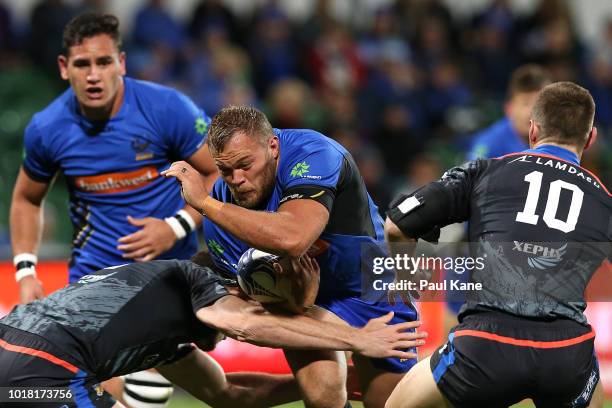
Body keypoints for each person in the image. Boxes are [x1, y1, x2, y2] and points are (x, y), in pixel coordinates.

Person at [162, 106, 420, 408]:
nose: (237, 179)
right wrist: (301, 300)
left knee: (388, 404)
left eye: (245, 164)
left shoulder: (313, 152)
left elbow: (294, 237)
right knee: (321, 396)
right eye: (225, 170)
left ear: (273, 146)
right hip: (303, 305)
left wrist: (204, 203)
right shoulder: (220, 223)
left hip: (369, 285)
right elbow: (260, 313)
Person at [384, 82, 610, 408]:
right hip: (565, 354)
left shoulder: (487, 172)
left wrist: (405, 280)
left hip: (486, 346)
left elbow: (396, 226)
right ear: (590, 139)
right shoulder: (604, 201)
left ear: (532, 131)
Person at [0, 253, 425, 408]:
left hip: (18, 379)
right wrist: (358, 340)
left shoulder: (161, 326)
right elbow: (241, 323)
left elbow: (226, 393)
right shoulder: (192, 276)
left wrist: (333, 381)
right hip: (47, 367)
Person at [10, 12, 218, 302]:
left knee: (168, 348)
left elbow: (219, 172)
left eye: (104, 62)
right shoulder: (47, 128)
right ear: (63, 67)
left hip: (171, 272)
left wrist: (176, 226)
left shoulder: (167, 108)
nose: (93, 76)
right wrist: (25, 272)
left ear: (120, 63)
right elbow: (26, 199)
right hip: (93, 281)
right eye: (82, 64)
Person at [467, 64, 551, 160]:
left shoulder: (562, 139)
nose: (533, 112)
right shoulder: (489, 144)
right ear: (509, 108)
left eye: (540, 102)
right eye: (526, 103)